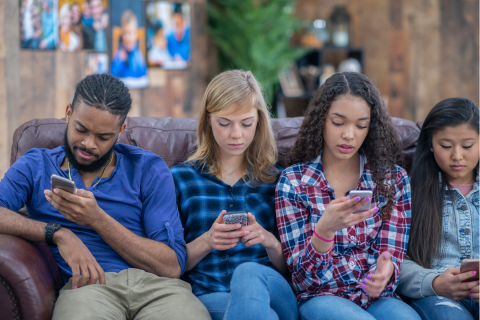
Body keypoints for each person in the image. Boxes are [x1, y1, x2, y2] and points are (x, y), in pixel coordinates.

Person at [0, 74, 210, 320]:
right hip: (88, 289)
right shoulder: (36, 166)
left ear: (121, 130)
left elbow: (171, 266)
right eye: (81, 129)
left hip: (158, 289)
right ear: (68, 114)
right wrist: (58, 233)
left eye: (103, 137)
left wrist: (96, 219)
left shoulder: (147, 168)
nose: (88, 144)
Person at [276, 72, 421, 320]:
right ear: (321, 120)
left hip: (377, 298)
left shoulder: (393, 180)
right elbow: (304, 281)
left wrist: (384, 273)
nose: (349, 135)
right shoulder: (294, 182)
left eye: (360, 125)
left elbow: (391, 254)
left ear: (370, 127)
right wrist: (324, 232)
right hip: (322, 297)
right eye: (338, 122)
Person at [171, 70, 299, 320]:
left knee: (249, 274)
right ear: (208, 120)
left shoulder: (278, 180)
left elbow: (295, 268)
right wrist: (208, 240)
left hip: (272, 287)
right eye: (224, 123)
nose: (236, 134)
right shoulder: (180, 180)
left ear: (259, 122)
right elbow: (167, 265)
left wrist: (269, 240)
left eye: (246, 123)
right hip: (211, 294)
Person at [397, 98, 479, 320]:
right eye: (446, 145)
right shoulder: (410, 192)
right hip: (436, 296)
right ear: (431, 144)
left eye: (468, 145)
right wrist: (433, 282)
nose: (457, 156)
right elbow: (395, 259)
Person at [110, 10, 148, 89]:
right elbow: (111, 77)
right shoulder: (118, 55)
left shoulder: (139, 55)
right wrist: (119, 61)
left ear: (136, 35)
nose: (127, 37)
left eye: (130, 33)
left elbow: (145, 79)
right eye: (125, 33)